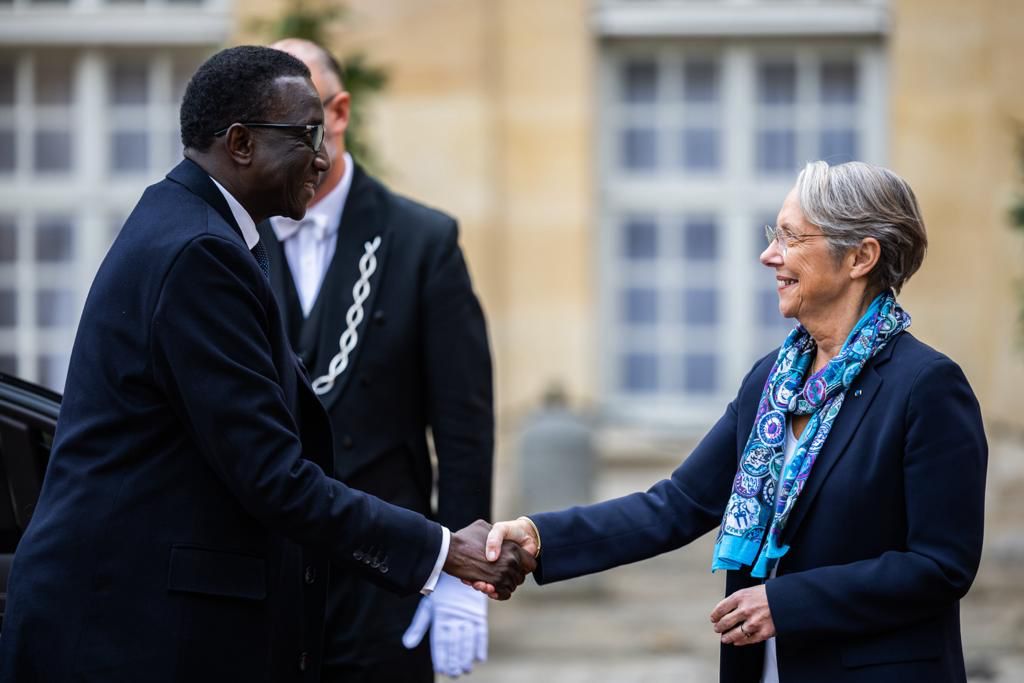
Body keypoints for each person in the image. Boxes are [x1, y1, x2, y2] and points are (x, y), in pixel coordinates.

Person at [0, 46, 531, 683]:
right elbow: (272, 477)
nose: (324, 155)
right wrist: (444, 550)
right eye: (306, 134)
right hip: (127, 634)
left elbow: (459, 420)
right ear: (242, 143)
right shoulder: (201, 252)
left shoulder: (201, 229)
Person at [482, 161, 987, 683]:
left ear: (860, 256)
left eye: (790, 238)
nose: (770, 256)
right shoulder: (772, 380)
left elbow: (939, 565)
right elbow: (676, 505)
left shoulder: (926, 386)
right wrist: (542, 537)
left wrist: (786, 602)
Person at [258, 39, 494, 682]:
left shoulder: (422, 241)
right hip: (259, 580)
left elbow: (463, 428)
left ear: (338, 111)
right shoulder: (229, 241)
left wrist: (458, 576)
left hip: (385, 577)